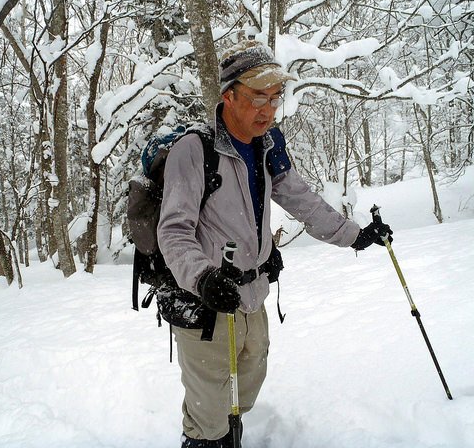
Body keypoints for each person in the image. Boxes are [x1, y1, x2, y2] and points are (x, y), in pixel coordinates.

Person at [157, 39, 392, 448]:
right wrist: (204, 278)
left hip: (254, 295)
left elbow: (301, 199)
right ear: (228, 97)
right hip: (207, 305)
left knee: (244, 394)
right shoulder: (194, 151)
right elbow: (173, 231)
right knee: (209, 415)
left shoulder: (268, 145)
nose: (268, 109)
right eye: (257, 98)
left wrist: (355, 235)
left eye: (275, 97)